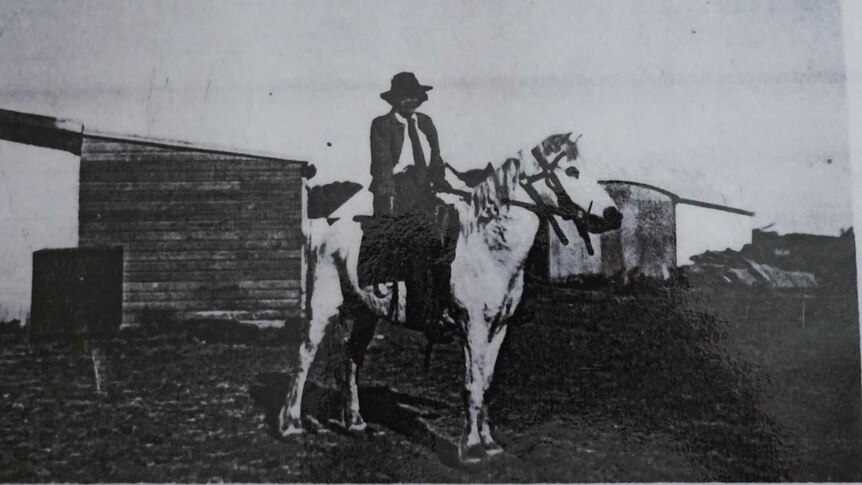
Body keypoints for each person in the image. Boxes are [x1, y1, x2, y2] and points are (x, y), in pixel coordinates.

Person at [365, 72, 454, 341]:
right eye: (404, 96)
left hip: (425, 189)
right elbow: (381, 165)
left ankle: (447, 305)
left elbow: (436, 158)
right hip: (398, 190)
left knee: (453, 231)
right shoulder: (382, 125)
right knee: (418, 237)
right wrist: (388, 197)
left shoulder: (426, 123)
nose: (410, 100)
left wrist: (443, 182)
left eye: (414, 96)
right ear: (395, 100)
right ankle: (423, 314)